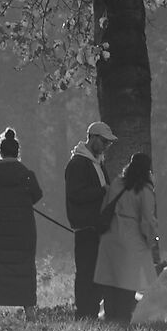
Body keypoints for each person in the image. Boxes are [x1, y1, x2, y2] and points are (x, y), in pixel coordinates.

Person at [0, 127, 44, 318]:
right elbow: (37, 195)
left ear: (0, 151)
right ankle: (28, 310)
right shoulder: (26, 175)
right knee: (24, 267)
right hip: (23, 229)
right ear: (17, 152)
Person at [93, 151, 161, 326]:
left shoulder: (117, 183)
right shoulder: (145, 190)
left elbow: (105, 206)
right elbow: (147, 220)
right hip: (130, 239)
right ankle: (123, 319)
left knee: (111, 281)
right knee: (127, 283)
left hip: (110, 238)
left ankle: (110, 318)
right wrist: (151, 240)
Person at [63, 121, 117, 320]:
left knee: (96, 274)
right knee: (86, 273)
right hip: (86, 227)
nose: (106, 146)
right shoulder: (78, 163)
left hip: (98, 227)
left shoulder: (97, 163)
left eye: (108, 143)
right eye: (104, 142)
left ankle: (92, 312)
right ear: (93, 138)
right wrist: (101, 192)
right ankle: (84, 314)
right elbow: (75, 194)